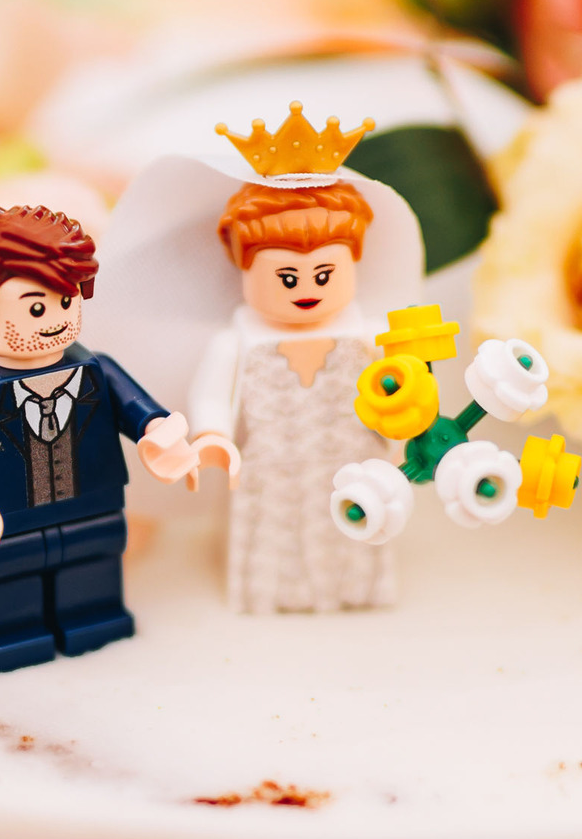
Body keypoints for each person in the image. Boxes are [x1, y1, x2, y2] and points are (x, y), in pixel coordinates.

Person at [84, 106, 425, 615]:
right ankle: (272, 594)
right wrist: (215, 433)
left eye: (324, 273)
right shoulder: (239, 339)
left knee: (353, 528)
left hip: (351, 460)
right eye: (287, 277)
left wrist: (405, 418)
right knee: (276, 532)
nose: (306, 289)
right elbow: (212, 393)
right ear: (244, 267)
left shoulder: (366, 335)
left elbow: (400, 387)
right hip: (270, 467)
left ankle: (355, 589)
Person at [0, 204, 235, 675]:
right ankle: (7, 633)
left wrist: (165, 439)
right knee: (5, 576)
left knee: (94, 562)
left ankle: (91, 616)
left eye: (65, 302)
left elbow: (141, 413)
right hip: (7, 519)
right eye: (33, 307)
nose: (52, 320)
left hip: (92, 503)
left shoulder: (96, 369)